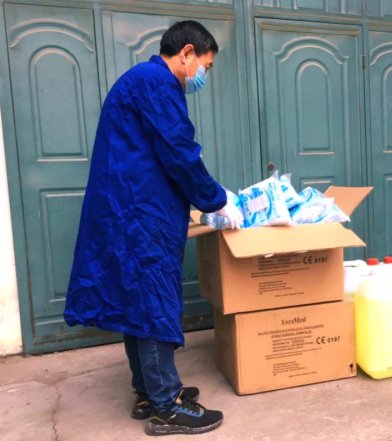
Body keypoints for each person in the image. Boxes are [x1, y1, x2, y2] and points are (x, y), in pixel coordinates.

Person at [64, 21, 242, 436]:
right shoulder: (156, 83)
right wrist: (217, 199)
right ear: (187, 53)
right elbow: (179, 151)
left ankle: (147, 390)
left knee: (137, 303)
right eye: (206, 66)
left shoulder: (141, 81)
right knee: (154, 302)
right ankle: (167, 405)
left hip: (131, 210)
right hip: (141, 216)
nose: (203, 76)